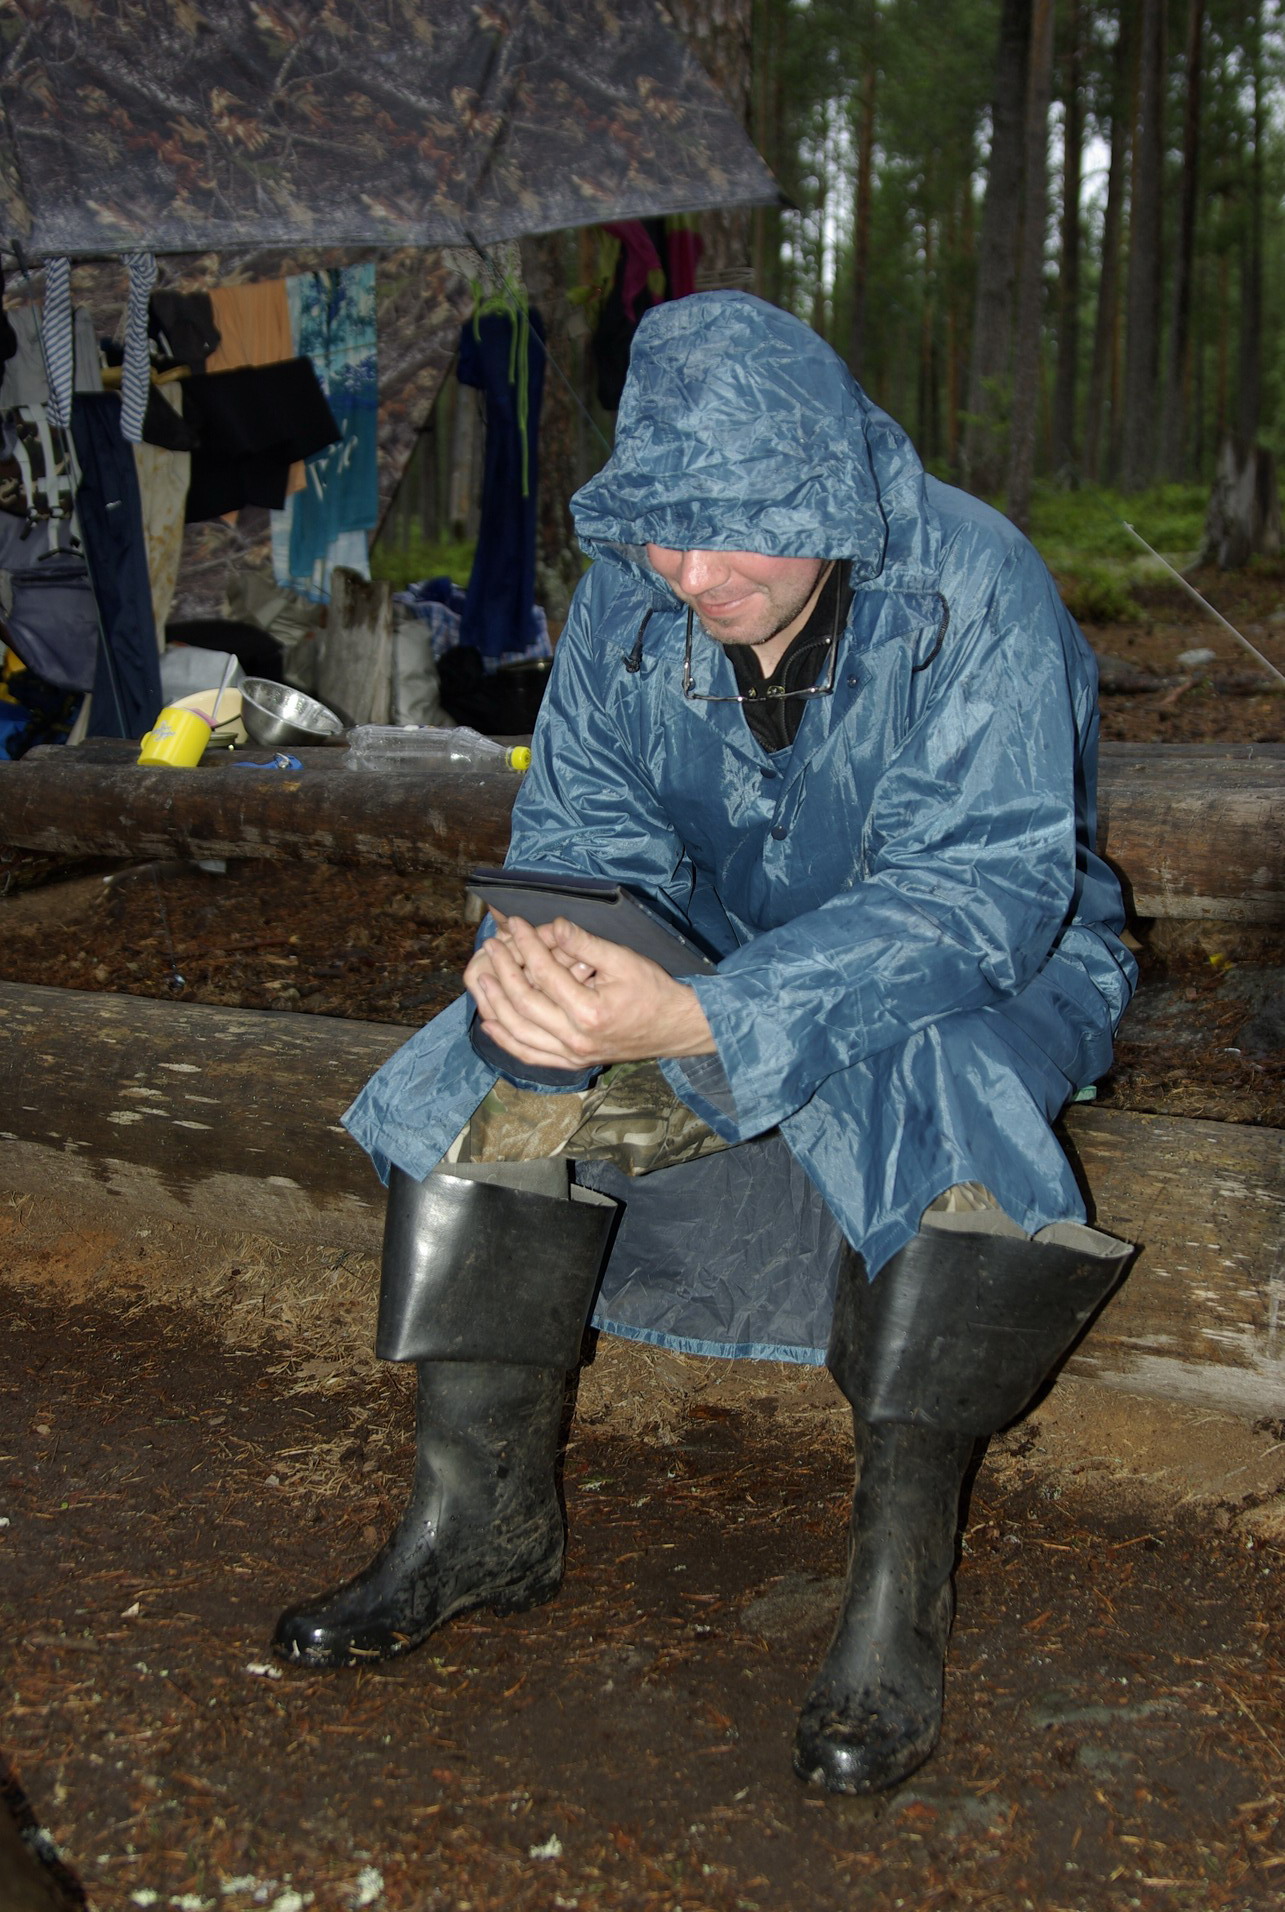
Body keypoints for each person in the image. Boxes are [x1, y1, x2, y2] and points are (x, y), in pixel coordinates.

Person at [273, 292, 1136, 1795]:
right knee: (504, 1055)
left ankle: (893, 1597)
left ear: (831, 496)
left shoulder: (973, 578)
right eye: (666, 531)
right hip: (726, 931)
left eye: (741, 535)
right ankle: (478, 1524)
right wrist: (549, 955)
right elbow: (582, 831)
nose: (693, 573)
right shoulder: (632, 592)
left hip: (997, 958)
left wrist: (710, 1016)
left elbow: (981, 897)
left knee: (943, 1091)